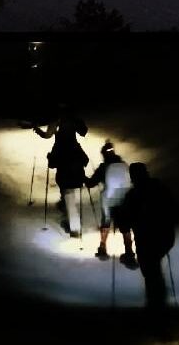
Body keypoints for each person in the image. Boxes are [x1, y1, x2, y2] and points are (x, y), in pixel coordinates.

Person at [115, 163, 177, 336]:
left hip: (147, 240)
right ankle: (159, 313)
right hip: (163, 238)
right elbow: (172, 208)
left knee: (152, 275)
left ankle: (157, 315)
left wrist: (119, 217)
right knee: (154, 274)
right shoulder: (159, 188)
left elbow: (125, 220)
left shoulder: (134, 195)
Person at [33, 108, 89, 237]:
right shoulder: (73, 119)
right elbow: (84, 132)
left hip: (62, 156)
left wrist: (37, 130)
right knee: (71, 191)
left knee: (67, 190)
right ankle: (71, 219)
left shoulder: (56, 121)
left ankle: (74, 226)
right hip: (75, 155)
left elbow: (47, 135)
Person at [85, 140, 134, 262]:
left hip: (109, 198)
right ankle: (129, 252)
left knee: (106, 221)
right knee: (125, 225)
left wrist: (83, 178)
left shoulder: (103, 167)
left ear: (104, 154)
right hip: (124, 199)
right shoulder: (124, 165)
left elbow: (91, 183)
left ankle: (102, 247)